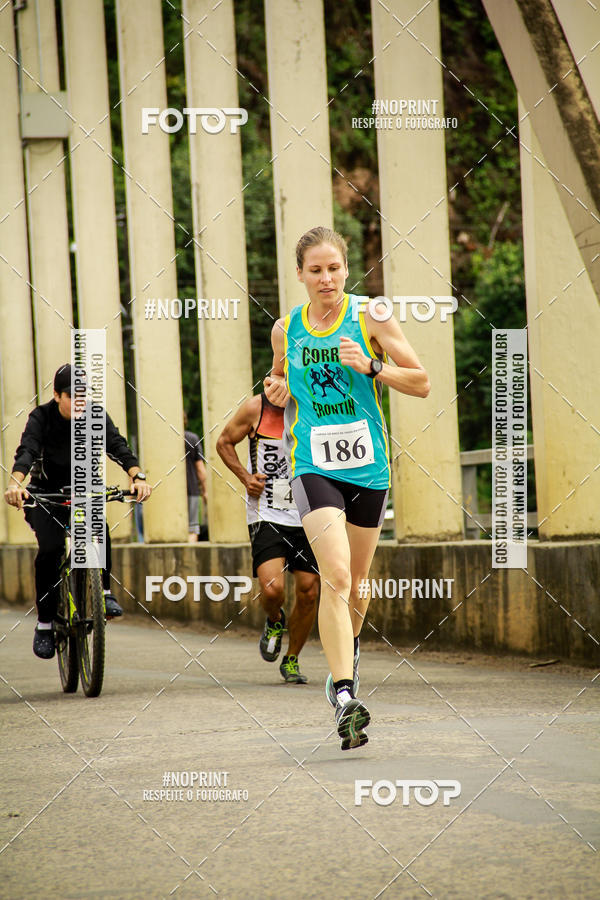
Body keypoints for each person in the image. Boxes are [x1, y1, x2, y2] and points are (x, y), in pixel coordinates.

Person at [264, 226, 430, 749]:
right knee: (335, 576)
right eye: (315, 270)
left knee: (358, 581)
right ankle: (343, 695)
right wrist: (277, 389)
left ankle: (348, 650)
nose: (326, 278)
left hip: (369, 467)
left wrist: (373, 366)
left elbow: (421, 381)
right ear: (300, 275)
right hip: (313, 463)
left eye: (334, 268)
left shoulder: (370, 316)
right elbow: (277, 387)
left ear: (345, 269)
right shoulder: (285, 327)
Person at [4, 364, 152, 660]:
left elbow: (118, 447)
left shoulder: (95, 415)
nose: (79, 402)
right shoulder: (42, 417)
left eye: (84, 395)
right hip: (46, 495)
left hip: (84, 492)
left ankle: (104, 594)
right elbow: (27, 451)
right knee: (52, 548)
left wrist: (138, 477)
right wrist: (14, 484)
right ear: (57, 395)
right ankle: (45, 624)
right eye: (72, 395)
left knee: (98, 527)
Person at [216, 392, 320, 683]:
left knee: (309, 590)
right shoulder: (255, 407)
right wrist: (245, 478)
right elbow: (223, 442)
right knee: (273, 589)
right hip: (267, 513)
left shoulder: (316, 401)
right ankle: (275, 620)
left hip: (308, 511)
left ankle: (292, 659)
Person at [183, 412, 207, 542]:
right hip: (192, 490)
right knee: (192, 528)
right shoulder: (192, 438)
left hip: (169, 495)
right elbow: (200, 468)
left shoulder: (165, 440)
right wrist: (205, 491)